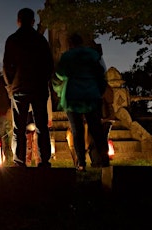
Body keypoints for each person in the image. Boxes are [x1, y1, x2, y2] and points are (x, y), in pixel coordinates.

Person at [3, 8, 54, 167]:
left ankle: (19, 161)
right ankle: (44, 160)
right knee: (41, 126)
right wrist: (44, 80)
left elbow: (7, 65)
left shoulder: (13, 39)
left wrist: (10, 84)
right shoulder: (40, 40)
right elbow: (49, 65)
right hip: (38, 87)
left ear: (18, 20)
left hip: (19, 87)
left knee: (19, 128)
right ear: (32, 21)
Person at [54, 33, 110, 172]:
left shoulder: (67, 56)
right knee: (96, 129)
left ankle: (81, 162)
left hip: (73, 96)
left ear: (69, 44)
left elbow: (60, 73)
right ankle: (104, 159)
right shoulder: (92, 54)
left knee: (77, 130)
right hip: (91, 94)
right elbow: (101, 72)